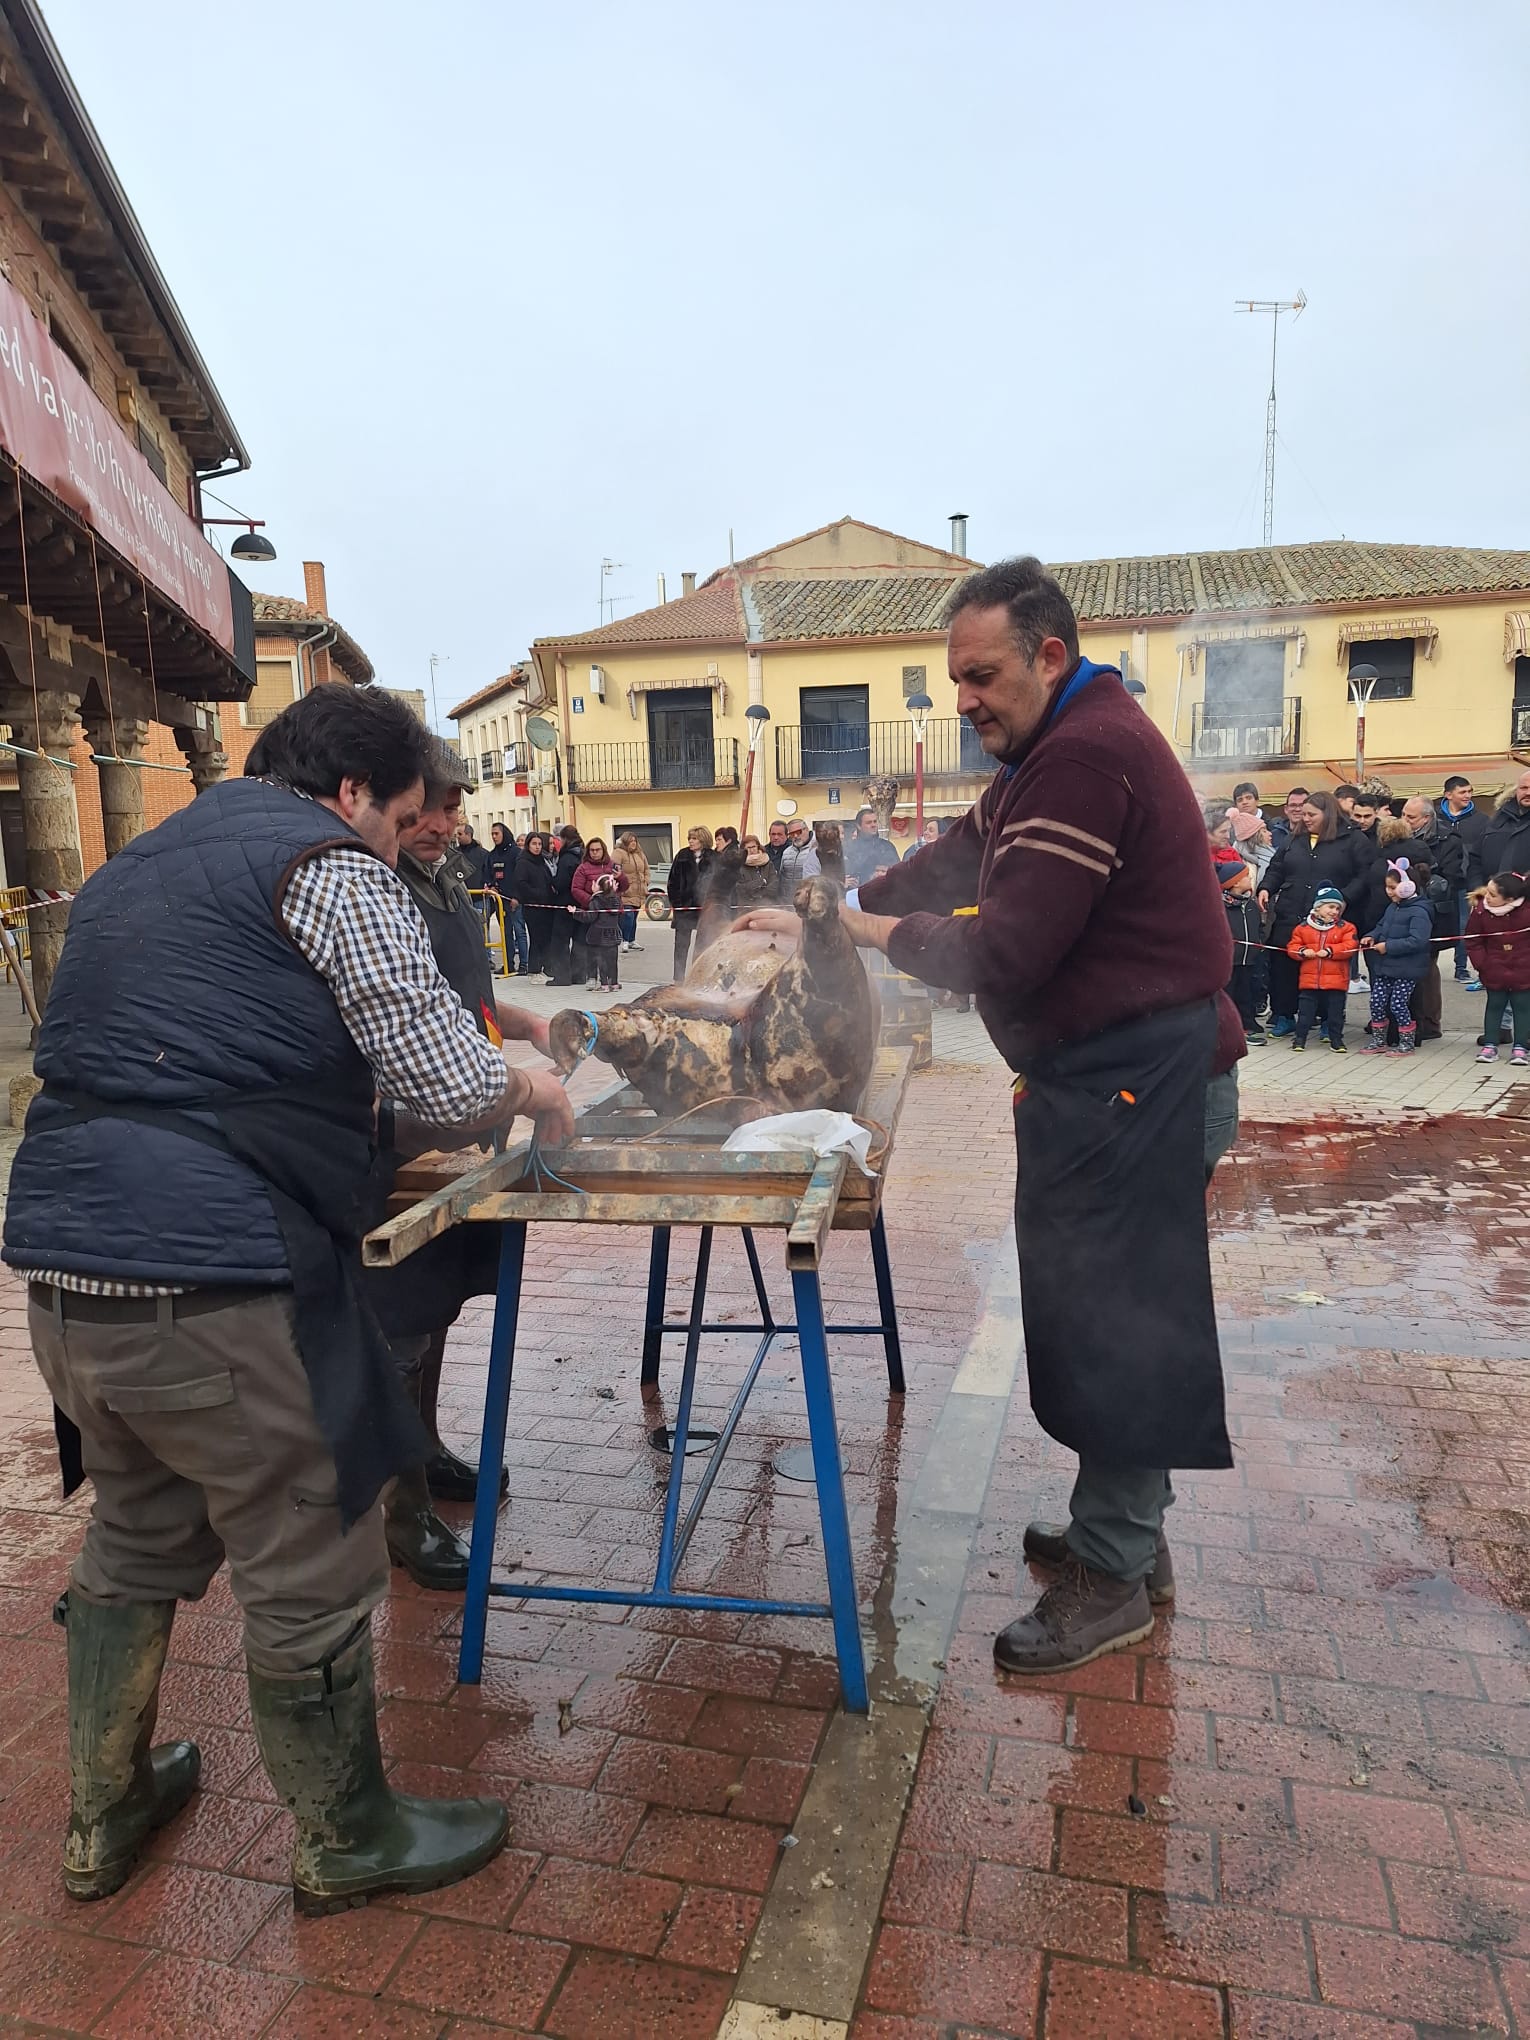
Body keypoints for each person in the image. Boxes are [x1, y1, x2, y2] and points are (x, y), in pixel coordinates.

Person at [2, 685, 574, 1914]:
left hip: (66, 1280)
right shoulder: (325, 863)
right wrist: (524, 1084)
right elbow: (436, 1071)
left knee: (136, 1533)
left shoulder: (133, 866)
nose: (406, 845)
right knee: (306, 1548)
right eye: (404, 817)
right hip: (217, 1277)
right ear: (356, 792)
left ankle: (104, 1812)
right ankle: (347, 1834)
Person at [748, 555, 1242, 1673]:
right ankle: (1128, 1535)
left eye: (980, 677)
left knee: (1122, 1323)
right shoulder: (1046, 753)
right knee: (1115, 1314)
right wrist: (846, 898)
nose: (964, 700)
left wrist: (856, 938)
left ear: (1050, 655)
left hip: (1139, 1085)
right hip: (1107, 1082)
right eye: (954, 679)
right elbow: (963, 857)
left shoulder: (1086, 757)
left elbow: (1006, 946)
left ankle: (1114, 1576)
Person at [367, 744, 547, 1591]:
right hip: (400, 1142)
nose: (441, 824)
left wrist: (527, 1025)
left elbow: (460, 994)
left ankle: (427, 1449)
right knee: (398, 1322)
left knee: (437, 1306)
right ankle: (401, 1516)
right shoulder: (375, 883)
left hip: (466, 1125)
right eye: (426, 808)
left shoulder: (446, 879)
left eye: (452, 806)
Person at [1257, 791, 1367, 1036]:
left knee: (1326, 970)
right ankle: (1284, 1014)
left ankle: (1328, 1020)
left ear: (1327, 814)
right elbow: (1277, 868)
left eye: (1311, 814)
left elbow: (1364, 875)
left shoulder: (1352, 840)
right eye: (1303, 814)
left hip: (1331, 919)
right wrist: (1266, 887)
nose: (1304, 818)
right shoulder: (1294, 839)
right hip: (1291, 912)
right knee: (1283, 967)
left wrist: (1344, 898)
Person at [1360, 861, 1433, 1054]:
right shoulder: (1393, 908)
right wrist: (1372, 936)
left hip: (1407, 968)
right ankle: (1378, 1040)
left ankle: (1407, 1042)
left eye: (1392, 887)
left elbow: (1418, 940)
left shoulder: (1419, 911)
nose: (1389, 892)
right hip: (1387, 966)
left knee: (1399, 1004)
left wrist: (1388, 947)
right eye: (1387, 887)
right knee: (1376, 1001)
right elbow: (1382, 926)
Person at [1466, 869, 1530, 1064]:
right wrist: (1481, 964)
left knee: (1522, 1007)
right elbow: (1473, 940)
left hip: (1523, 968)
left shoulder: (1526, 911)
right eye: (1488, 891)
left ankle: (1520, 1047)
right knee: (1494, 1006)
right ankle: (1490, 1045)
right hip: (1493, 968)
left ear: (1509, 899)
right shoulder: (1480, 911)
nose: (1487, 897)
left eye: (1493, 895)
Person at [1286, 887, 1357, 1051]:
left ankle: (1337, 1041)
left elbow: (1351, 946)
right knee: (1305, 1014)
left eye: (1338, 908)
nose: (1334, 911)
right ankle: (1299, 1039)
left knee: (1335, 1015)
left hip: (1336, 981)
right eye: (1330, 907)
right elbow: (1292, 946)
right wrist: (1303, 951)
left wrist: (1330, 951)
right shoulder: (1303, 928)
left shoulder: (1346, 928)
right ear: (1318, 907)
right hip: (1310, 980)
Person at [1434, 776, 1491, 984]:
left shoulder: (1481, 820)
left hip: (1467, 880)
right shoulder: (1434, 816)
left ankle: (1461, 967)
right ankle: (1429, 966)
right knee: (1435, 922)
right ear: (1448, 794)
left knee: (1463, 924)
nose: (1468, 795)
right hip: (1439, 880)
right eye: (1462, 792)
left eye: (1469, 791)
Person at [1220, 857, 1266, 1044]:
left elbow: (1258, 926)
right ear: (1235, 882)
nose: (1250, 880)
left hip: (1249, 958)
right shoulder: (1223, 906)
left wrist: (1259, 940)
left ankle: (1248, 1022)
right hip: (1231, 960)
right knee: (1230, 994)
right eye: (1247, 877)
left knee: (1246, 993)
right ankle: (1231, 1027)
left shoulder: (1250, 904)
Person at [667, 825, 714, 978]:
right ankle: (678, 978)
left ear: (703, 839)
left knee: (703, 945)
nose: (691, 841)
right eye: (689, 838)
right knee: (681, 946)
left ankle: (699, 977)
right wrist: (677, 904)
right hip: (684, 909)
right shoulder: (682, 855)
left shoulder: (714, 857)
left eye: (694, 838)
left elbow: (718, 883)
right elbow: (672, 882)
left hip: (705, 909)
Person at [543, 824, 585, 986]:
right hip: (580, 903)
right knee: (579, 940)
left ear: (565, 839)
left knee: (560, 941)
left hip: (565, 903)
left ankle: (562, 976)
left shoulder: (567, 857)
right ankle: (579, 975)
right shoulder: (582, 854)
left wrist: (552, 883)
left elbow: (561, 882)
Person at [511, 830, 555, 978]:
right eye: (534, 844)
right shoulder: (523, 862)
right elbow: (521, 883)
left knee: (546, 938)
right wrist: (537, 894)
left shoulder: (541, 861)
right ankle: (534, 969)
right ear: (528, 845)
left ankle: (547, 967)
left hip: (545, 906)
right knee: (536, 938)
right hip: (533, 906)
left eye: (539, 844)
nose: (537, 847)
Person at [483, 823, 526, 976]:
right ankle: (508, 964)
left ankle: (524, 964)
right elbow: (487, 873)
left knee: (519, 932)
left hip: (514, 899)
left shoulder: (515, 853)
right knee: (505, 933)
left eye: (496, 834)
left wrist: (517, 897)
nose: (494, 837)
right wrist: (491, 886)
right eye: (492, 834)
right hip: (499, 900)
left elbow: (520, 876)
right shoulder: (492, 854)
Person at [1480, 772, 1530, 895]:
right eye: (1524, 788)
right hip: (1492, 898)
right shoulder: (1497, 819)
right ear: (1516, 790)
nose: (1528, 792)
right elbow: (1475, 857)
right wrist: (1477, 887)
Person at [584, 872, 626, 988]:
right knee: (612, 961)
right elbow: (621, 914)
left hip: (599, 935)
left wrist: (575, 912)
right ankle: (614, 983)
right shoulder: (616, 900)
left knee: (601, 960)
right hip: (613, 934)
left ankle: (604, 984)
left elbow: (590, 917)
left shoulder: (596, 901)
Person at [845, 805, 900, 885]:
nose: (873, 825)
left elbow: (897, 871)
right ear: (859, 826)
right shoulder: (849, 848)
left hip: (885, 891)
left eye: (875, 821)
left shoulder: (887, 846)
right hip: (859, 891)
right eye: (868, 823)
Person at [612, 832, 649, 952]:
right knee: (628, 916)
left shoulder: (640, 854)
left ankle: (632, 940)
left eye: (635, 841)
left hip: (638, 892)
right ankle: (624, 941)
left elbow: (646, 869)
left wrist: (646, 881)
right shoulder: (618, 853)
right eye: (631, 840)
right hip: (625, 892)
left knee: (634, 918)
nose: (633, 843)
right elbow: (613, 869)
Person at [776, 817, 820, 894]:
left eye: (798, 832)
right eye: (792, 834)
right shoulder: (786, 852)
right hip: (789, 898)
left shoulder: (818, 849)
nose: (795, 836)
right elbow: (782, 878)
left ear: (806, 829)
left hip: (810, 897)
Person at [444, 820, 487, 893]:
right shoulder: (453, 854)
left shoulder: (483, 854)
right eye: (456, 834)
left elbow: (488, 873)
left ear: (468, 835)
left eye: (460, 834)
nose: (457, 837)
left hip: (479, 896)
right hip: (460, 895)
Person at [734, 835, 776, 908]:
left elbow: (774, 885)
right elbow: (740, 888)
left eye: (753, 847)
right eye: (748, 848)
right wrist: (761, 882)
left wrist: (759, 893)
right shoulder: (738, 866)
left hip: (767, 906)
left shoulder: (768, 863)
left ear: (758, 847)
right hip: (746, 907)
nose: (751, 850)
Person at [1268, 786, 1310, 854]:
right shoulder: (1273, 836)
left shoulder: (1317, 835)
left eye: (1302, 805)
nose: (1297, 809)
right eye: (1293, 805)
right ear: (1286, 809)